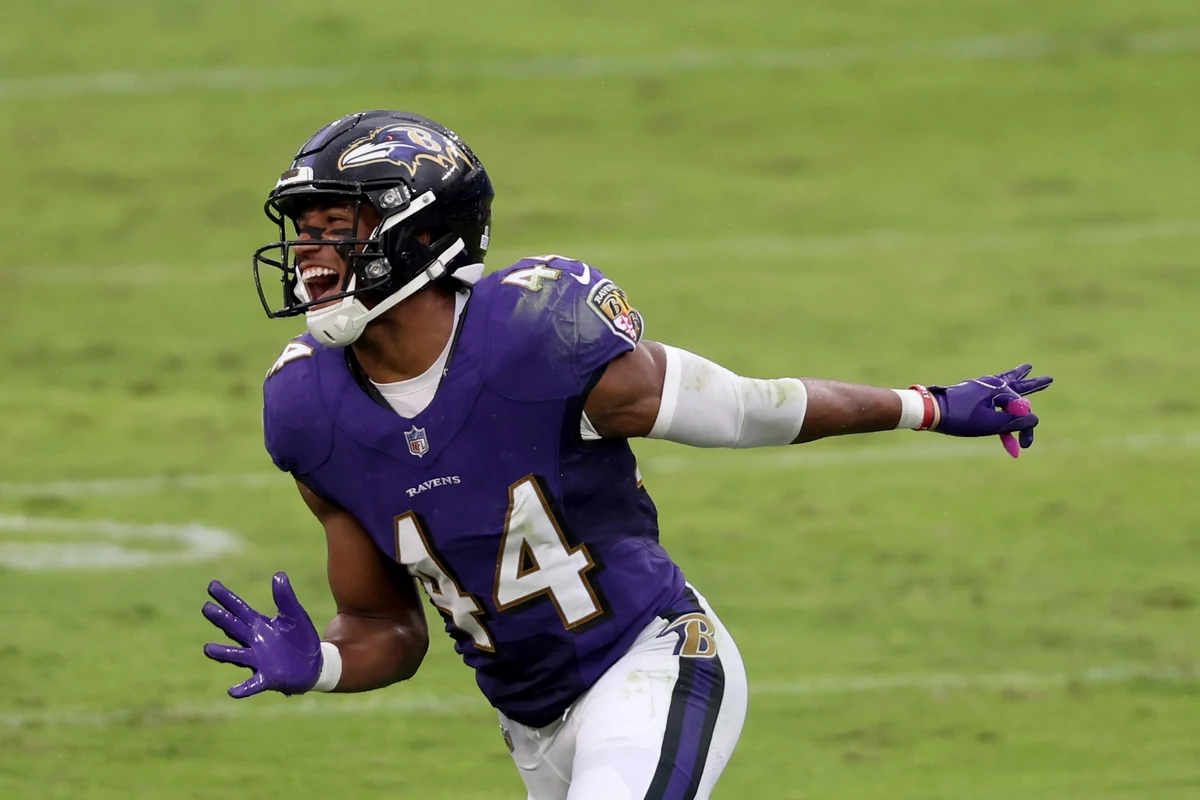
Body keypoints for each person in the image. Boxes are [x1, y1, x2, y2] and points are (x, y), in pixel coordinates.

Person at [203, 110, 1052, 800]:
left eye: (336, 228)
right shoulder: (305, 409)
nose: (310, 255)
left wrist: (928, 406)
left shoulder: (535, 334)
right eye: (302, 230)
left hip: (651, 661)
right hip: (531, 725)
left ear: (422, 235)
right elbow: (389, 626)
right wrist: (319, 664)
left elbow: (748, 409)